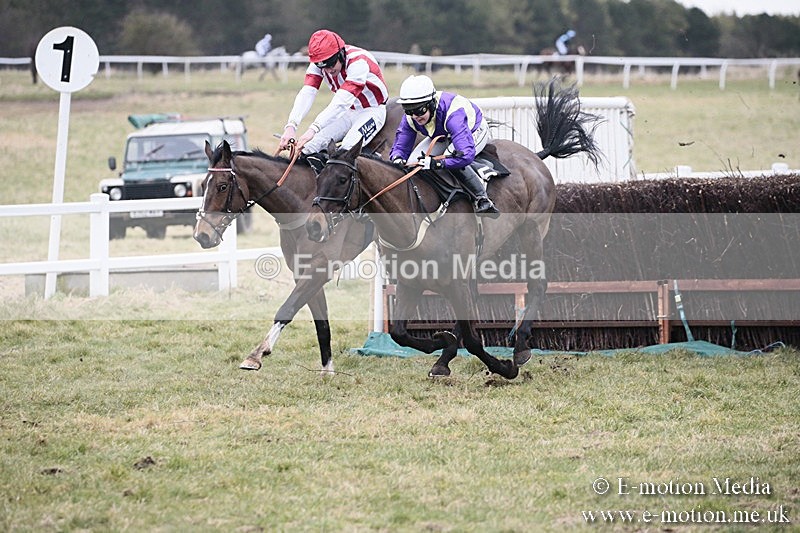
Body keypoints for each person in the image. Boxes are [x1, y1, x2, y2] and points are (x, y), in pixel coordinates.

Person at [389, 75, 499, 217]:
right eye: (409, 110)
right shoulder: (411, 117)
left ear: (431, 104)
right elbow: (401, 146)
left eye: (419, 110)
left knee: (452, 158)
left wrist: (437, 163)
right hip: (442, 134)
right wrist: (397, 158)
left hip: (472, 130)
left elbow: (465, 156)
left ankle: (482, 198)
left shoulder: (454, 117)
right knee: (412, 163)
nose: (415, 116)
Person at [278, 29, 388, 169]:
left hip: (372, 111)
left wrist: (313, 129)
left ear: (341, 53)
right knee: (308, 147)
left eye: (331, 63)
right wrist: (291, 126)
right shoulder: (321, 62)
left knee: (345, 152)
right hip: (347, 112)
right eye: (322, 66)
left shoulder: (358, 62)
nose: (328, 70)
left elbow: (341, 102)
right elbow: (307, 93)